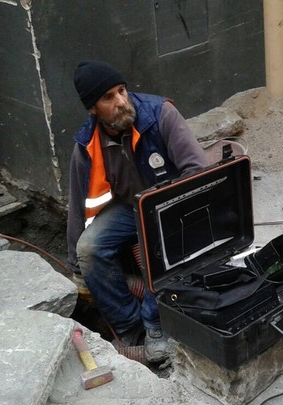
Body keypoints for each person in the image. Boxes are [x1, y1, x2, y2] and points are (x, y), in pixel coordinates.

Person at [67, 60, 208, 363]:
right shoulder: (86, 145)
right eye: (108, 97)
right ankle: (130, 327)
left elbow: (198, 172)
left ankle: (156, 325)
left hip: (175, 209)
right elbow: (77, 204)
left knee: (157, 252)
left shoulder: (160, 115)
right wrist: (75, 267)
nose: (121, 101)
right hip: (130, 208)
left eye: (122, 91)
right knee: (89, 249)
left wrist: (165, 211)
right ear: (93, 109)